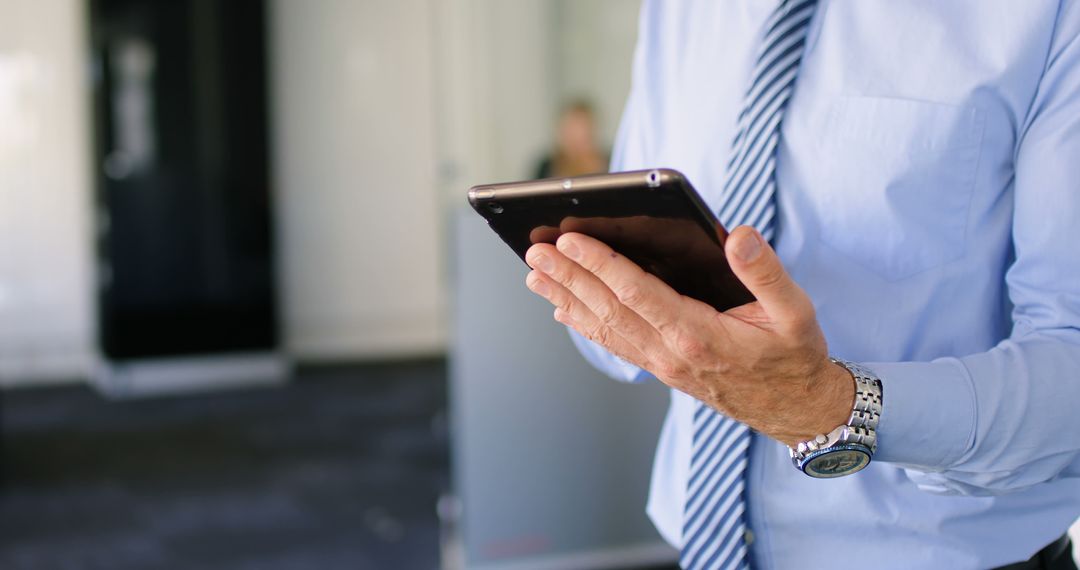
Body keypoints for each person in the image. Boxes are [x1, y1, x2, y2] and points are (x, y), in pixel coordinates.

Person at [521, 1, 1080, 569]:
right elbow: (632, 326)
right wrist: (614, 307)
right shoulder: (678, 9)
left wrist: (829, 407)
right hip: (700, 550)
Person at [534, 99, 609, 180]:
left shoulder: (609, 163)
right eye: (571, 130)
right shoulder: (546, 168)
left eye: (582, 129)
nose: (576, 138)